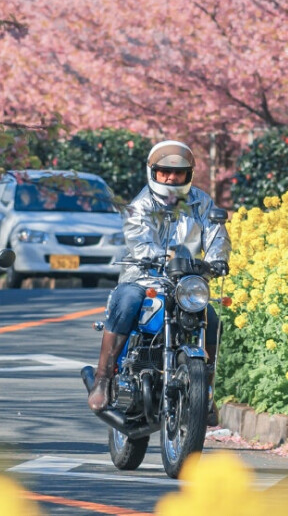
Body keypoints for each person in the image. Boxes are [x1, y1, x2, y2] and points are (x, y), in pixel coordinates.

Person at [86, 140, 231, 421]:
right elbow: (138, 240)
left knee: (211, 318)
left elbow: (217, 235)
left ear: (188, 174)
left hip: (185, 282)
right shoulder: (140, 205)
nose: (171, 178)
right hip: (143, 277)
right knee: (126, 301)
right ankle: (103, 377)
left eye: (178, 173)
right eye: (165, 172)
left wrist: (216, 259)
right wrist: (158, 255)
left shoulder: (202, 202)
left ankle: (207, 392)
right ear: (153, 171)